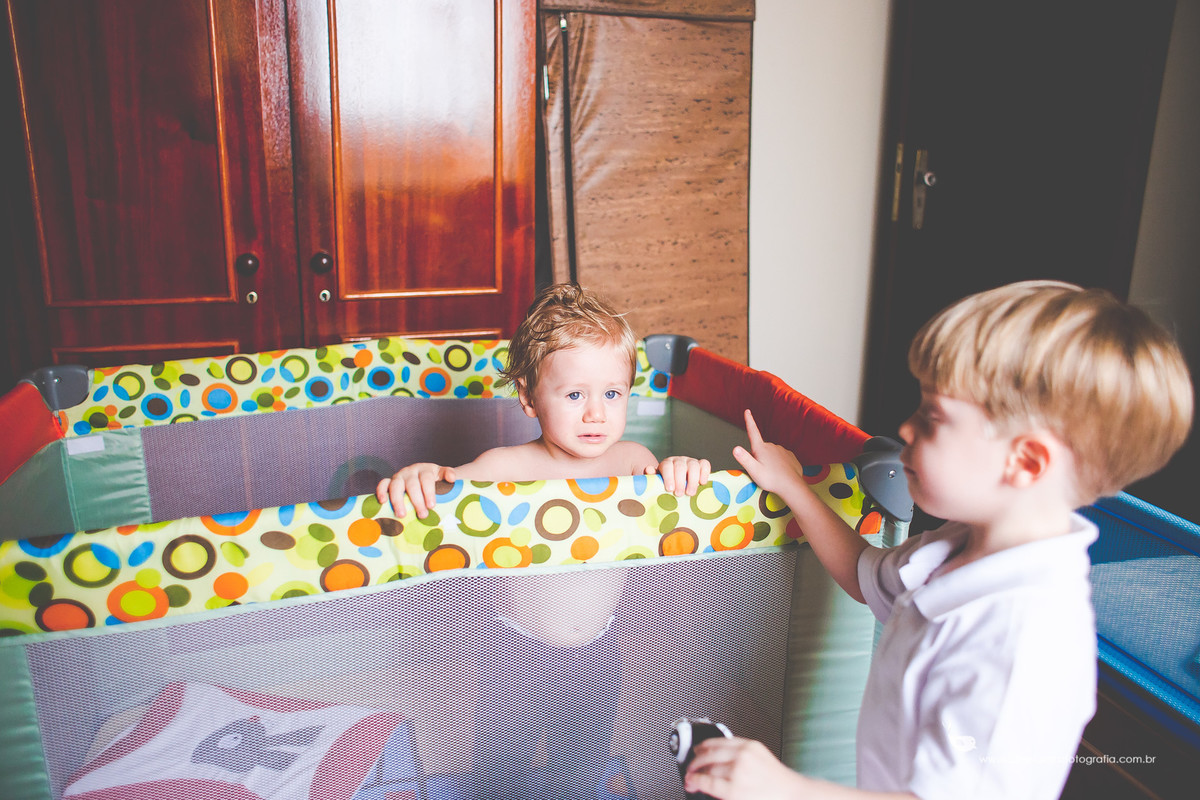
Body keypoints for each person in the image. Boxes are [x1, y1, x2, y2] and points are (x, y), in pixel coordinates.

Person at [685, 281, 1193, 800]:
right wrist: (795, 486)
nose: (904, 429)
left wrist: (785, 790)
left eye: (932, 419)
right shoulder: (959, 546)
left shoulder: (1020, 642)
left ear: (1025, 463)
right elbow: (865, 574)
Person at [377, 282, 711, 799]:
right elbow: (444, 482)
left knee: (584, 752)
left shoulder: (632, 464)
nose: (596, 413)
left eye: (612, 394)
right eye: (575, 395)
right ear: (530, 398)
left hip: (597, 648)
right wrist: (419, 476)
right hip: (512, 650)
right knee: (509, 763)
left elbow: (672, 486)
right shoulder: (505, 468)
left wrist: (680, 469)